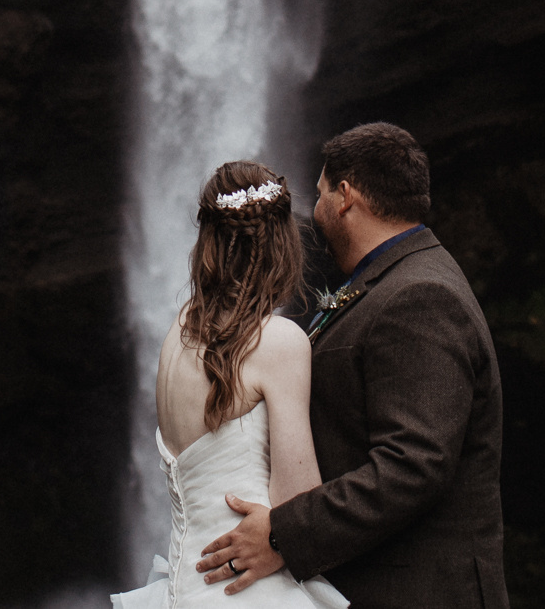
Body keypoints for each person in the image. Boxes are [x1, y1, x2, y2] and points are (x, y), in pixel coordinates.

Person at [195, 123, 508, 609]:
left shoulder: (420, 297)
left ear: (345, 197)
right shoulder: (392, 282)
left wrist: (281, 534)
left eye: (319, 195)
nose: (313, 213)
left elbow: (414, 464)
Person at [113, 162, 346, 609]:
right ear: (283, 245)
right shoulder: (278, 342)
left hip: (184, 590)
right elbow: (301, 505)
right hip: (252, 590)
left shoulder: (175, 335)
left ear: (208, 242)